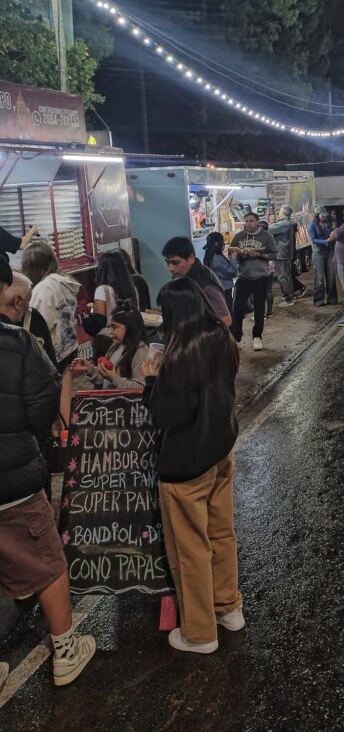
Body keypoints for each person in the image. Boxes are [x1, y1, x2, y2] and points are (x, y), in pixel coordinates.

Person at [0, 256, 96, 686]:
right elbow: (43, 409)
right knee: (49, 563)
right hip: (13, 483)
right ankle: (66, 652)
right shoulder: (17, 343)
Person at [142, 278, 243, 655]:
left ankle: (200, 633)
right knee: (220, 533)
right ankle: (228, 607)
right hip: (221, 452)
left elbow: (166, 415)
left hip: (185, 466)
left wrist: (151, 381)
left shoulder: (177, 358)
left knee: (190, 550)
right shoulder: (221, 337)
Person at [22, 240, 80, 423]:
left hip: (53, 353)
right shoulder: (64, 283)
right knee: (65, 404)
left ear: (34, 267)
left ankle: (58, 442)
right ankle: (64, 439)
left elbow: (38, 323)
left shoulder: (43, 289)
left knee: (55, 412)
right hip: (68, 348)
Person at [228, 212, 277, 350]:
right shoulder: (239, 236)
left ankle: (257, 337)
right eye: (247, 221)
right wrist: (239, 254)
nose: (248, 223)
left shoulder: (266, 236)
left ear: (257, 222)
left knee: (259, 308)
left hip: (260, 277)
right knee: (238, 308)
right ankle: (236, 338)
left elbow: (274, 254)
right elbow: (232, 253)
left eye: (251, 221)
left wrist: (260, 255)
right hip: (243, 277)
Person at [71, 304, 150, 389]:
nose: (110, 332)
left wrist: (115, 379)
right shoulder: (115, 346)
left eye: (114, 327)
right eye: (109, 327)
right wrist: (90, 369)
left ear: (130, 327)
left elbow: (141, 388)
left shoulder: (141, 351)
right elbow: (104, 379)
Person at [161, 237, 232, 327]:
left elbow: (226, 320)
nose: (170, 268)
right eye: (168, 263)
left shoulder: (205, 285)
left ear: (191, 258)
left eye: (175, 263)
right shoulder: (185, 275)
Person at [0, 270, 56, 364]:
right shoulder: (34, 319)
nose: (28, 305)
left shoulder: (33, 318)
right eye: (28, 299)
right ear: (17, 301)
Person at [308, 207, 338, 307]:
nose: (324, 217)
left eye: (325, 215)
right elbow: (314, 240)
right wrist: (326, 241)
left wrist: (333, 234)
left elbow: (331, 233)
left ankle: (332, 299)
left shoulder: (326, 223)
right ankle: (319, 300)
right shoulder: (311, 226)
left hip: (329, 252)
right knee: (319, 278)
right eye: (322, 215)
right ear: (317, 215)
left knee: (331, 276)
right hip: (318, 253)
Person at [203, 232, 237, 311]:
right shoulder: (217, 258)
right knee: (227, 311)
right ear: (216, 244)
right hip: (223, 288)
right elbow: (232, 272)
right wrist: (234, 258)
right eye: (222, 242)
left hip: (217, 288)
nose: (224, 244)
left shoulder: (209, 255)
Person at [269, 206, 295, 307]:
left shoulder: (285, 223)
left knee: (282, 277)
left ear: (284, 213)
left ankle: (288, 299)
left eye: (279, 211)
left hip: (282, 255)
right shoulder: (287, 223)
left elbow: (269, 228)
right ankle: (289, 296)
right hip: (285, 254)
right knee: (286, 276)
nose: (278, 213)